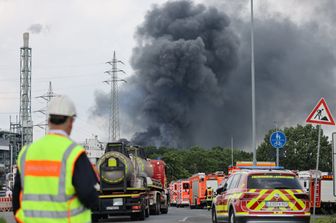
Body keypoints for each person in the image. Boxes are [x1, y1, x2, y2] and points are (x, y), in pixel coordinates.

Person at [12, 95, 99, 223]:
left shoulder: (26, 152)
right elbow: (89, 197)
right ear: (70, 121)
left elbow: (16, 198)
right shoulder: (74, 153)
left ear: (49, 120)